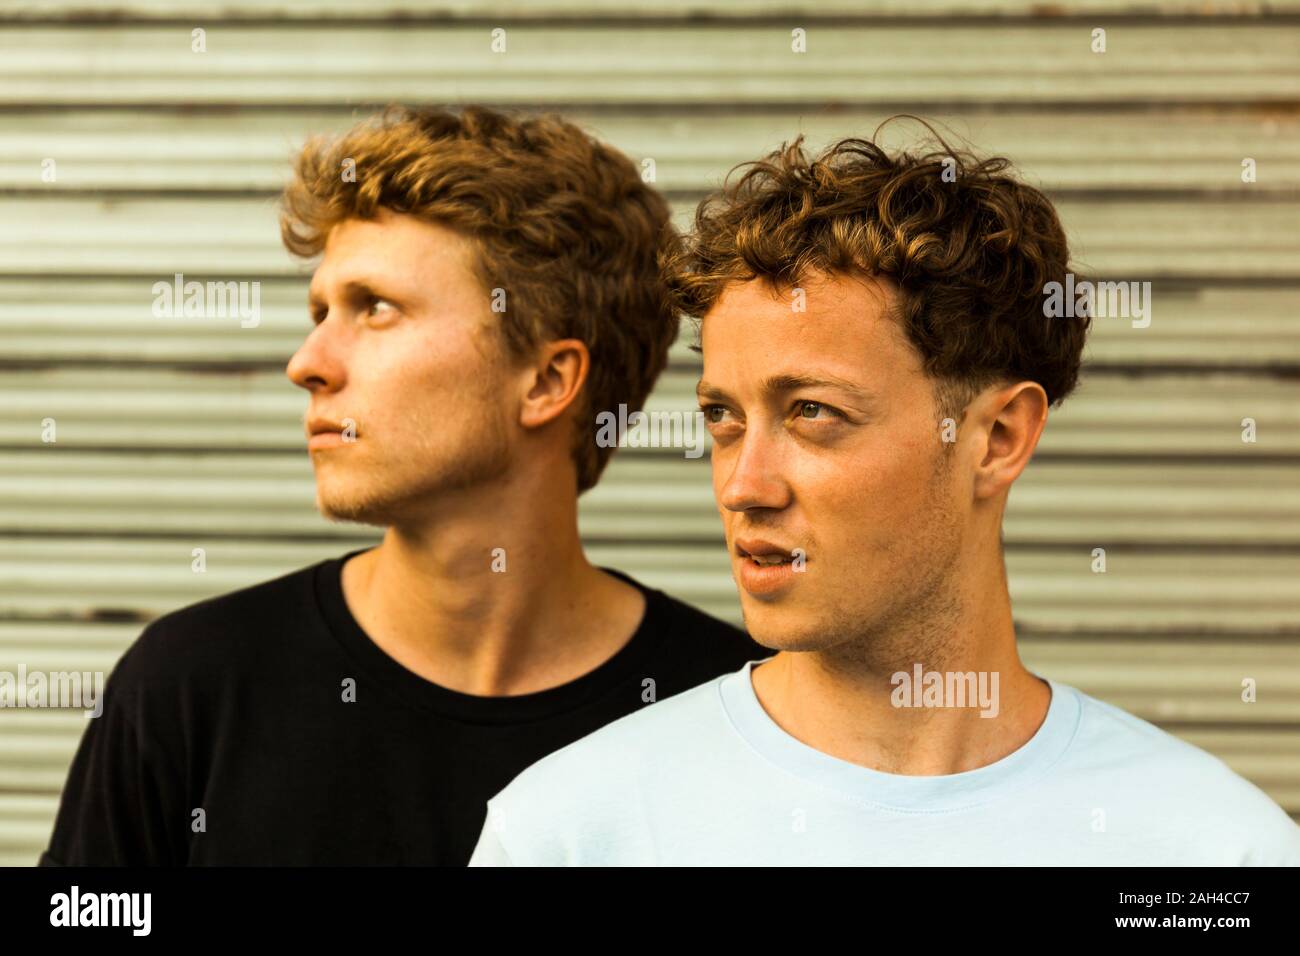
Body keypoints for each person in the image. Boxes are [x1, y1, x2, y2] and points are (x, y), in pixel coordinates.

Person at [469, 128, 1300, 865]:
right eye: (723, 418)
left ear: (999, 437)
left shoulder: (1212, 849)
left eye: (813, 413)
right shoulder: (572, 832)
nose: (742, 486)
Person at [40, 105, 763, 866]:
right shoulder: (192, 689)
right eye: (320, 310)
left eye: (375, 308)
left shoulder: (734, 712)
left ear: (548, 380)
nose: (307, 363)